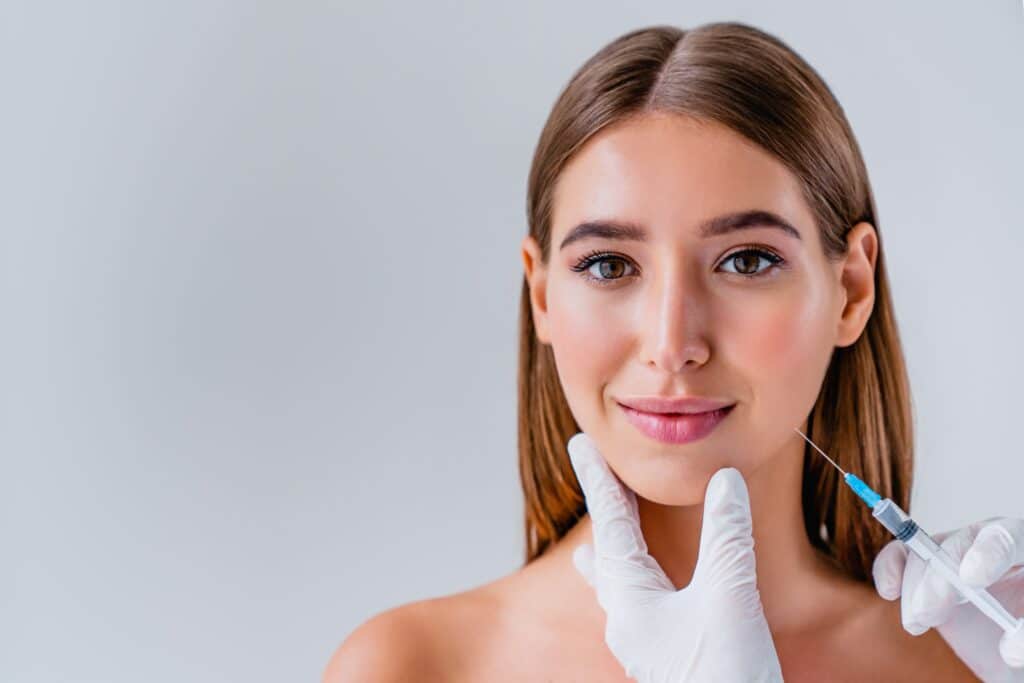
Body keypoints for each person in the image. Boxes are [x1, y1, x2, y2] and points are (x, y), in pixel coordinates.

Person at [325, 21, 1024, 681]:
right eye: (607, 265)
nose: (671, 344)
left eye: (746, 261)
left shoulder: (970, 661)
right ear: (541, 296)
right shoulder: (413, 666)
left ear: (850, 288)